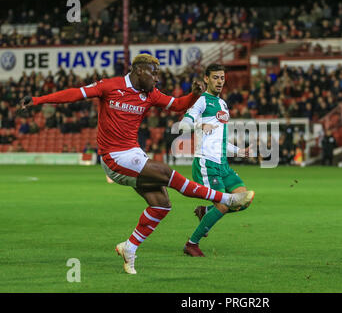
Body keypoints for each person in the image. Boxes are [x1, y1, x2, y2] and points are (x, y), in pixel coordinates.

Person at [19, 54, 254, 274]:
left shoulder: (150, 94)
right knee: (165, 172)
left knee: (161, 205)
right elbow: (74, 94)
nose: (157, 79)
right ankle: (226, 199)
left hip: (133, 154)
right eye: (154, 74)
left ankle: (129, 248)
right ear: (139, 71)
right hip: (114, 156)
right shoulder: (109, 86)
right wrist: (38, 100)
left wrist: (193, 95)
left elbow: (178, 105)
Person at [178, 64, 253, 257]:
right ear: (206, 79)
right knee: (224, 204)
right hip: (206, 162)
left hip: (223, 164)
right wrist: (199, 123)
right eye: (215, 78)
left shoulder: (223, 104)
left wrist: (240, 151)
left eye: (222, 78)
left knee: (243, 200)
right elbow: (184, 125)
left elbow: (221, 139)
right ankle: (191, 244)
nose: (219, 81)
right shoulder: (202, 101)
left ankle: (206, 211)